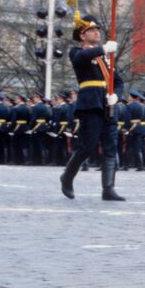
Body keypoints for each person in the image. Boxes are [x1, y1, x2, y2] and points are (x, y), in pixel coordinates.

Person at [58, 15, 126, 201]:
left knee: (111, 147)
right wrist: (103, 48)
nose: (97, 32)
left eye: (97, 30)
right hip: (91, 104)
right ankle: (67, 177)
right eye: (92, 30)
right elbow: (83, 57)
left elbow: (119, 82)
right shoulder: (77, 52)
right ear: (82, 35)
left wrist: (116, 96)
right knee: (87, 146)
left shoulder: (106, 58)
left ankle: (108, 188)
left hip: (108, 105)